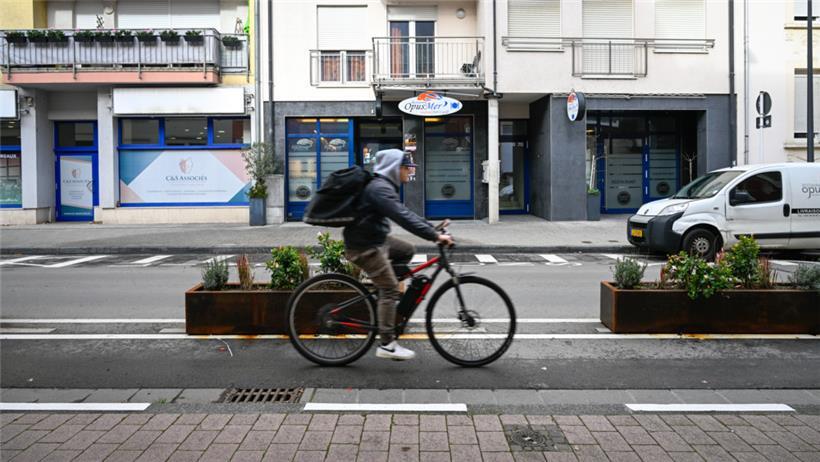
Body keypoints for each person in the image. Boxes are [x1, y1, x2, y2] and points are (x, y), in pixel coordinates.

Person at [344, 149, 454, 360]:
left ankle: (385, 292)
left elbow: (406, 213)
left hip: (375, 240)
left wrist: (432, 228)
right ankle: (387, 344)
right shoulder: (379, 189)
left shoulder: (384, 186)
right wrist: (434, 236)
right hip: (364, 246)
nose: (410, 171)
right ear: (395, 168)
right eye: (407, 167)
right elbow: (403, 218)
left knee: (407, 250)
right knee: (390, 288)